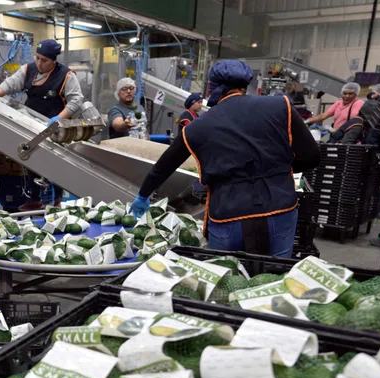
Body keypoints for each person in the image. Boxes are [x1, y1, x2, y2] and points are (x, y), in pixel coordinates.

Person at [128, 60, 321, 258]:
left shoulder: (196, 127)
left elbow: (163, 166)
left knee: (226, 276)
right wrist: (278, 171)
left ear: (212, 86)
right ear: (245, 84)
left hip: (228, 216)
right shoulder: (281, 106)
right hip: (280, 209)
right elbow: (312, 156)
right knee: (276, 276)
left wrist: (143, 195)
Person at [0, 39, 83, 126]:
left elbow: (76, 100)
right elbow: (11, 83)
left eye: (44, 60)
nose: (39, 63)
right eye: (37, 57)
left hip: (53, 126)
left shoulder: (66, 76)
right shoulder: (28, 69)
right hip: (30, 121)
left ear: (53, 61)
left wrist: (59, 118)